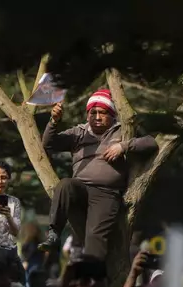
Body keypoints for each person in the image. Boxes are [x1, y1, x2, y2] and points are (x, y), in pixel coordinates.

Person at [39, 90, 158, 261]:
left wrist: (123, 146)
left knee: (95, 238)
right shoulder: (79, 132)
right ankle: (54, 233)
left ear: (111, 114)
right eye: (92, 112)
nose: (96, 116)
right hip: (80, 188)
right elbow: (48, 143)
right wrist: (54, 121)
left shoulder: (123, 131)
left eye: (102, 112)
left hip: (106, 193)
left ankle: (94, 279)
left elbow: (151, 143)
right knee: (65, 185)